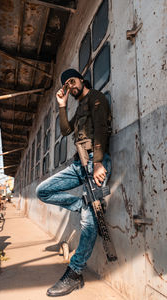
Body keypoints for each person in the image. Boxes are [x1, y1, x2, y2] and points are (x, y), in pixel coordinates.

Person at [36, 68, 112, 297]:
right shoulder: (79, 106)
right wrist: (62, 104)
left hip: (93, 161)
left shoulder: (96, 98)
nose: (70, 86)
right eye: (66, 84)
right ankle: (82, 205)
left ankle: (75, 273)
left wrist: (98, 163)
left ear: (81, 79)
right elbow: (65, 130)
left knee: (89, 223)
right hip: (78, 165)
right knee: (43, 191)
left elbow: (101, 130)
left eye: (72, 81)